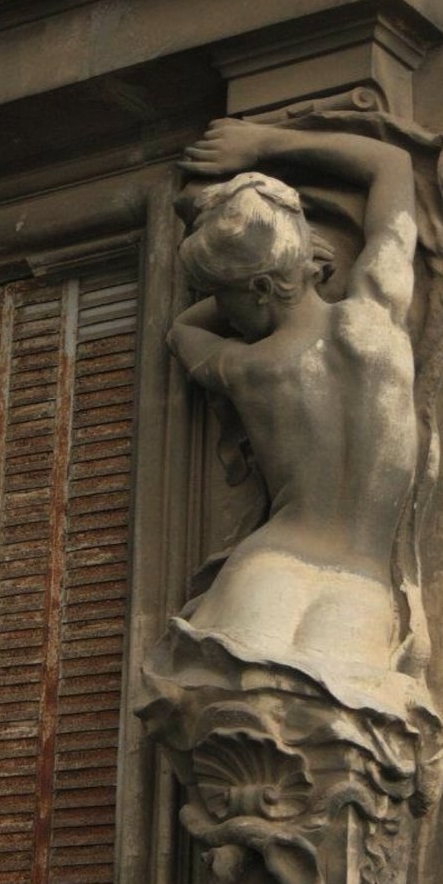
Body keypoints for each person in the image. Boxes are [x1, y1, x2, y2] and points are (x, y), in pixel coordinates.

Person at [164, 117, 419, 706]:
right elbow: (392, 165)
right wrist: (267, 144)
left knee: (228, 725)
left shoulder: (248, 369)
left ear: (256, 290)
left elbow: (180, 331)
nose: (223, 309)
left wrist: (256, 281)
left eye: (224, 294)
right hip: (360, 582)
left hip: (267, 569)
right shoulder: (378, 315)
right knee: (336, 741)